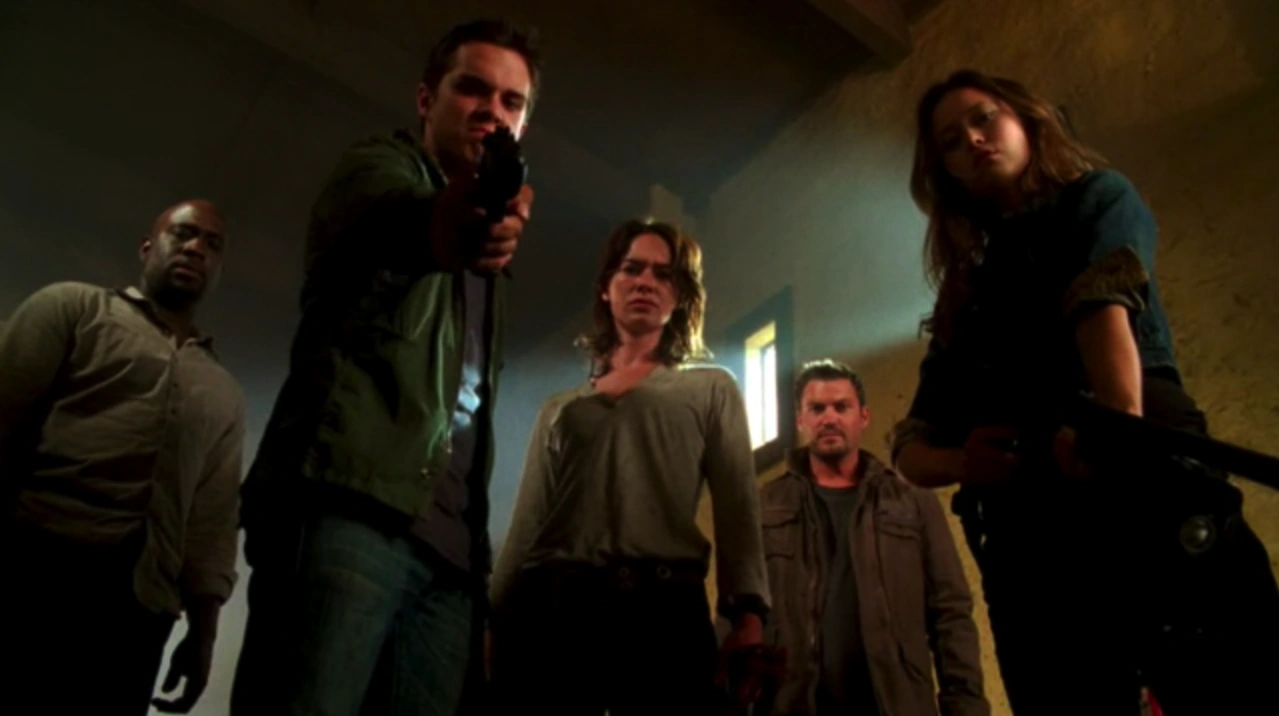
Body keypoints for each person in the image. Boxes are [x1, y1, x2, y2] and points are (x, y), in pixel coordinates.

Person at [891, 69, 1279, 715]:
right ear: (945, 171)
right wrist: (963, 461)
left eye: (984, 118)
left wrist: (1114, 426)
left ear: (1024, 120)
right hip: (1032, 543)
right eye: (951, 141)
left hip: (1146, 483)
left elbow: (1101, 303)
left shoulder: (1097, 197)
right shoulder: (964, 292)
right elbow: (910, 445)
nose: (974, 140)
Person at [231, 18, 537, 716]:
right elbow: (404, 222)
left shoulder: (496, 268)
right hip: (349, 512)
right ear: (427, 98)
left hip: (450, 562)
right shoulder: (374, 168)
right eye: (473, 89)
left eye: (512, 101)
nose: (493, 111)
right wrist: (466, 216)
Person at [489, 219, 769, 714]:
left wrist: (748, 614)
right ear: (606, 286)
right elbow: (526, 525)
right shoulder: (559, 409)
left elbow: (738, 511)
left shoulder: (710, 389)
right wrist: (493, 620)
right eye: (631, 269)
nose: (645, 283)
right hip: (558, 613)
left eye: (663, 274)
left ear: (680, 295)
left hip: (664, 613)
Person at [0, 200, 243, 715]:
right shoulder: (75, 309)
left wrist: (203, 635)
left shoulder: (222, 391)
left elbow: (211, 524)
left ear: (219, 270)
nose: (196, 248)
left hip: (137, 612)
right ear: (148, 247)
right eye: (184, 234)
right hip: (32, 571)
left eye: (212, 244)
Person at [761, 359, 987, 716]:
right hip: (794, 704)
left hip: (898, 705)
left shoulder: (911, 500)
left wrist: (966, 707)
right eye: (817, 409)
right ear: (800, 420)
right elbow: (741, 610)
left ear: (863, 417)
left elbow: (951, 612)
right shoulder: (766, 505)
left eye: (842, 407)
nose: (829, 418)